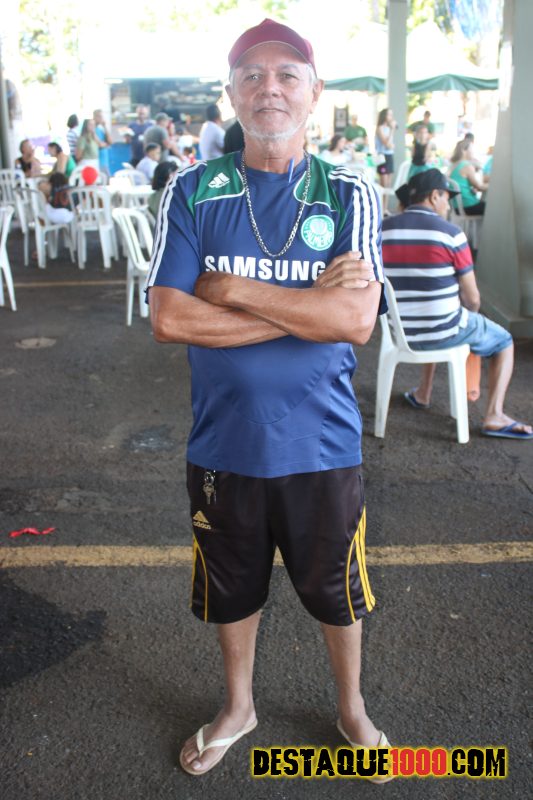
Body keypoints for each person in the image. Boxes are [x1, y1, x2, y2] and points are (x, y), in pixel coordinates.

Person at [147, 17, 392, 780]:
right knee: (231, 588)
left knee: (335, 590)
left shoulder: (345, 191)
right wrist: (305, 305)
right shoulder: (195, 189)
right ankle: (238, 707)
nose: (269, 88)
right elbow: (169, 318)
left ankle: (351, 709)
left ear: (314, 93)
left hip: (321, 442)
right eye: (251, 75)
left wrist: (232, 290)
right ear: (232, 93)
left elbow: (355, 321)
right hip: (223, 442)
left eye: (287, 75)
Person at [382, 169, 532, 440]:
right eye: (446, 198)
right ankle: (494, 416)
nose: (448, 206)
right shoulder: (451, 234)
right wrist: (470, 316)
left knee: (436, 314)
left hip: (398, 333)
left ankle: (423, 393)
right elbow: (472, 298)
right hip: (442, 331)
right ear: (434, 196)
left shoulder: (382, 230)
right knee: (504, 341)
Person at [449, 139, 489, 215]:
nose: (473, 152)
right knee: (493, 207)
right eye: (472, 149)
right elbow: (480, 186)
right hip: (468, 206)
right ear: (464, 150)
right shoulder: (467, 166)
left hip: (456, 207)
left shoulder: (454, 165)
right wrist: (493, 185)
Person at [374, 107, 396, 213]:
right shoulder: (379, 128)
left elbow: (391, 145)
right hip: (382, 157)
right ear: (384, 116)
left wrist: (390, 144)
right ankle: (380, 209)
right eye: (389, 114)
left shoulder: (388, 128)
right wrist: (392, 130)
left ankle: (384, 209)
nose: (391, 117)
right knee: (383, 184)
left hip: (390, 156)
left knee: (388, 185)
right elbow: (386, 143)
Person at [93, 109, 112, 177]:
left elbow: (110, 141)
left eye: (102, 116)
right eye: (99, 116)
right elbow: (99, 145)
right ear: (94, 117)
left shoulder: (100, 130)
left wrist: (105, 126)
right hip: (98, 161)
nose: (101, 118)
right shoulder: (92, 130)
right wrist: (105, 145)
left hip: (104, 161)